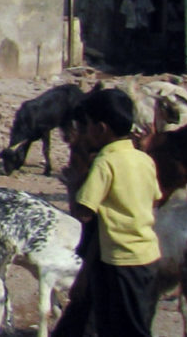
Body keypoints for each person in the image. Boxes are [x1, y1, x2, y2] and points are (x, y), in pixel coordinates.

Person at [52, 89, 161, 337]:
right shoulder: (144, 159)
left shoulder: (105, 162)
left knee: (130, 330)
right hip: (146, 256)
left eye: (88, 125)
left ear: (100, 128)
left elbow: (84, 213)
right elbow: (154, 199)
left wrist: (74, 185)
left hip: (121, 260)